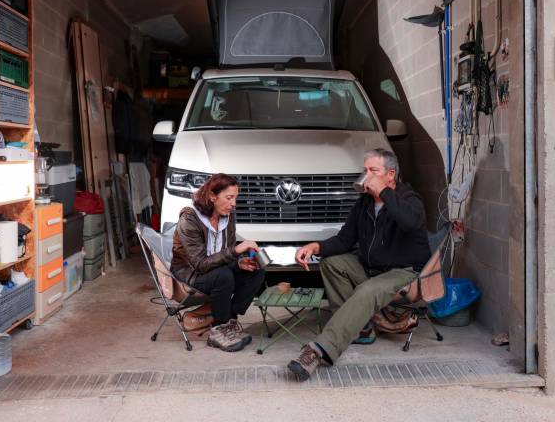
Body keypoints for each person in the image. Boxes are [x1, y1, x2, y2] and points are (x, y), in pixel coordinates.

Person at [289, 148, 432, 380]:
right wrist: (316, 247)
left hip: (404, 272)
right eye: (365, 170)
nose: (367, 175)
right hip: (373, 269)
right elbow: (345, 239)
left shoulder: (409, 198)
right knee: (331, 263)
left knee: (367, 290)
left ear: (390, 175)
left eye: (373, 171)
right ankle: (362, 328)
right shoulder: (365, 203)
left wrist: (384, 193)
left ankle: (320, 349)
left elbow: (411, 222)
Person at [171, 173, 265, 352]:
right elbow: (200, 264)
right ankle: (217, 331)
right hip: (190, 272)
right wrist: (237, 250)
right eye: (229, 198)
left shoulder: (227, 216)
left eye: (235, 198)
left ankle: (229, 320)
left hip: (216, 268)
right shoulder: (189, 219)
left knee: (255, 270)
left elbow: (224, 254)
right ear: (213, 196)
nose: (234, 204)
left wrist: (239, 263)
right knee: (224, 276)